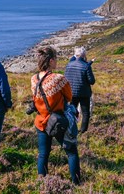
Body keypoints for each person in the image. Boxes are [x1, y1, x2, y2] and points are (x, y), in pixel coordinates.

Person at [31, 46, 81, 184]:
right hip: (57, 120)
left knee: (43, 154)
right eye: (56, 59)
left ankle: (42, 183)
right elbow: (69, 97)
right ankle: (76, 183)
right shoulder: (59, 79)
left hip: (41, 121)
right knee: (71, 152)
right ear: (51, 60)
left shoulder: (34, 78)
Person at [64, 46, 95, 134]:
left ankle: (72, 128)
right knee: (85, 113)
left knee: (72, 111)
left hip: (72, 92)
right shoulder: (86, 66)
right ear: (84, 55)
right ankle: (83, 131)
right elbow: (92, 81)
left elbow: (65, 79)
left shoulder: (69, 65)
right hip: (84, 93)